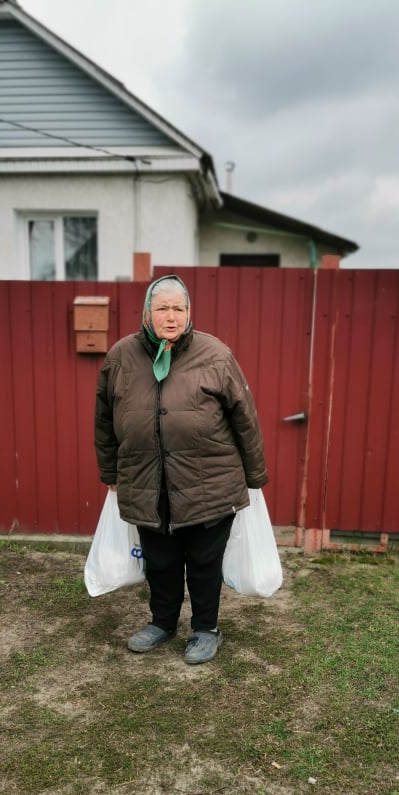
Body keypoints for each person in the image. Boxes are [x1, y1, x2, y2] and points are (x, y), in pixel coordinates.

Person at [94, 274, 268, 664]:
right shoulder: (120, 358)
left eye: (178, 308)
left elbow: (245, 418)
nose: (170, 317)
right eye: (162, 308)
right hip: (146, 481)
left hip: (210, 481)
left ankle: (206, 629)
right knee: (161, 560)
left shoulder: (215, 355)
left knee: (205, 562)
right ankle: (162, 622)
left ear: (188, 313)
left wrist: (255, 478)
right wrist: (111, 475)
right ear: (147, 312)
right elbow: (105, 420)